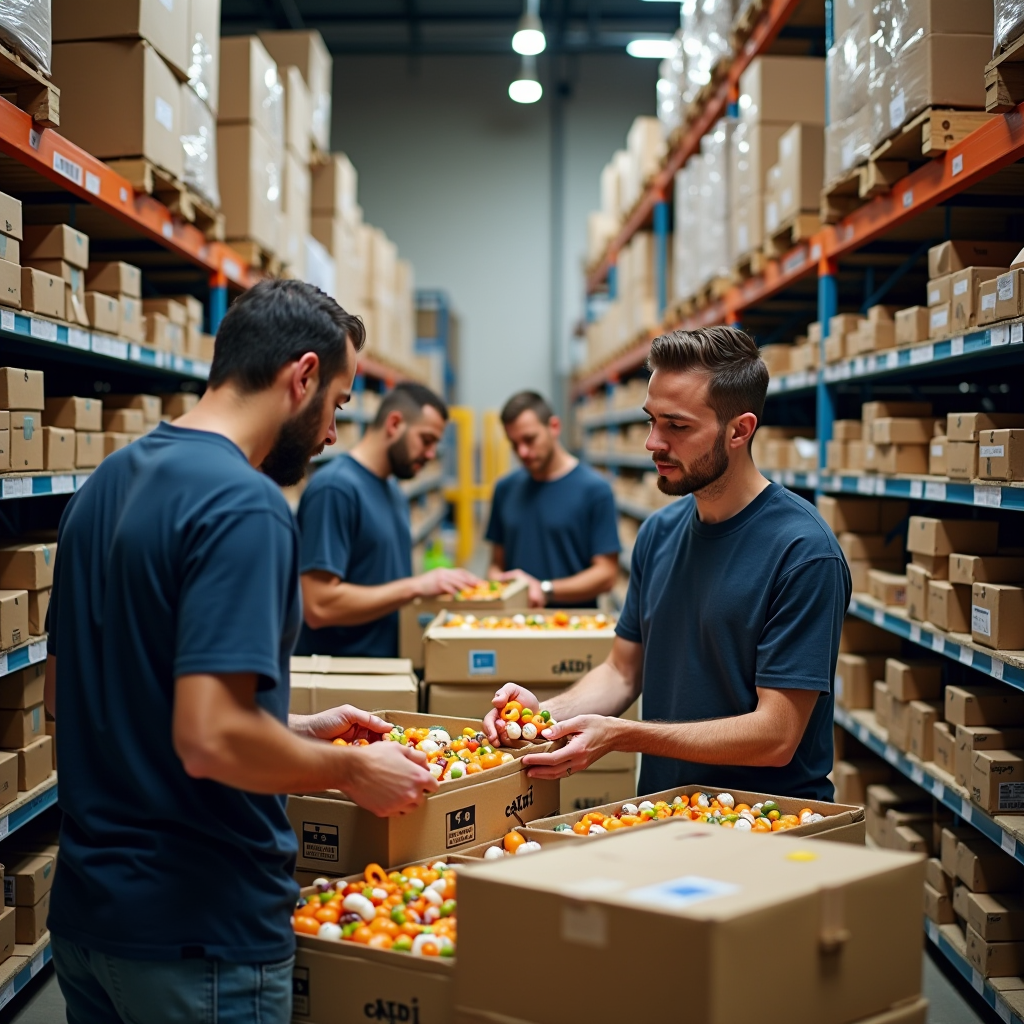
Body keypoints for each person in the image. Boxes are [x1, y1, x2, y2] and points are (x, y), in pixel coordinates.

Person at [44, 280, 438, 1024]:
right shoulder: (245, 504)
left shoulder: (101, 489)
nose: (331, 435)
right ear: (302, 377)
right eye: (339, 404)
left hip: (91, 923)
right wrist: (352, 768)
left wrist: (288, 731)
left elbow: (79, 698)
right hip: (202, 935)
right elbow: (210, 738)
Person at [485, 326, 851, 800]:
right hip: (660, 811)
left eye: (676, 426)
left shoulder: (802, 552)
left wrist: (624, 734)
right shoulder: (658, 534)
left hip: (766, 828)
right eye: (650, 421)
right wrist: (541, 717)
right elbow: (622, 672)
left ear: (739, 430)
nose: (653, 443)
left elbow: (777, 736)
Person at [297, 382, 479, 657]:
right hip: (344, 677)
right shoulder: (335, 488)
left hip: (386, 668)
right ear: (394, 424)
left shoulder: (393, 490)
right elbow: (319, 606)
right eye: (426, 440)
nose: (431, 455)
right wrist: (416, 586)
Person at [486, 391, 620, 608]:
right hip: (516, 625)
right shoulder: (505, 489)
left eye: (529, 439)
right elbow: (496, 564)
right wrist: (498, 582)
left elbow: (606, 574)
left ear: (554, 427)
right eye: (514, 444)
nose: (523, 452)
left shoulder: (595, 490)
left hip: (573, 628)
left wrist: (544, 590)